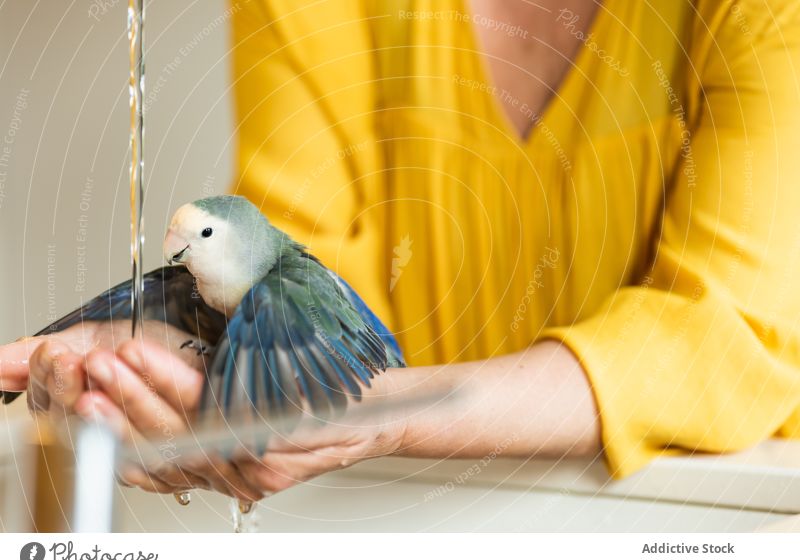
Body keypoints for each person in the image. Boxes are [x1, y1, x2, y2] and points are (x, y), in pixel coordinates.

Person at [3, 0, 800, 503]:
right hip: (384, 510)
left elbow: (722, 332)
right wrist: (164, 341)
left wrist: (382, 415)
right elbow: (292, 273)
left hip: (716, 513)